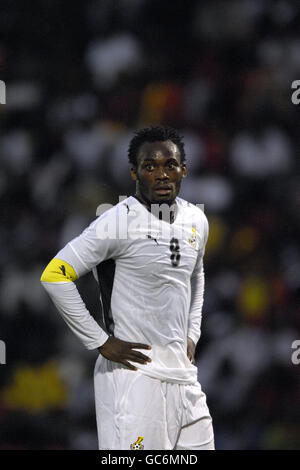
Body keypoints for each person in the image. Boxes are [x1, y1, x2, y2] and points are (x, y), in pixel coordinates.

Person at [40, 125, 214, 450]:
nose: (162, 174)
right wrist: (100, 341)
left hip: (184, 378)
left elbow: (196, 276)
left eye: (170, 164)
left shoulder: (196, 219)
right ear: (135, 171)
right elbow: (54, 275)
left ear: (184, 169)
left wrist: (192, 333)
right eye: (150, 166)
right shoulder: (118, 221)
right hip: (133, 377)